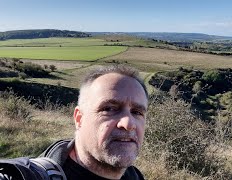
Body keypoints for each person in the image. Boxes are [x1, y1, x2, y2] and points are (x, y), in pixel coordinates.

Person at [0, 65, 148, 180]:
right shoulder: (26, 175)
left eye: (137, 112)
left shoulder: (134, 176)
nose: (129, 123)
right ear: (79, 118)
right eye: (109, 109)